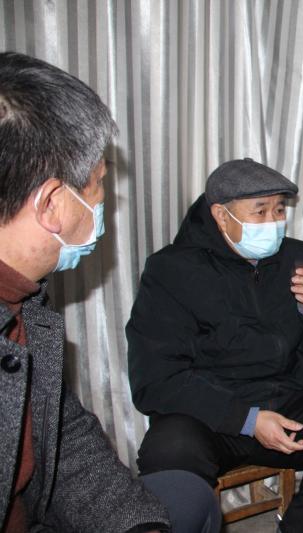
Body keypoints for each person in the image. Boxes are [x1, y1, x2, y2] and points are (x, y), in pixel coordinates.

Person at [0, 51, 219, 532]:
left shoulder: (27, 304)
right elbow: (160, 380)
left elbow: (63, 438)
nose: (105, 200)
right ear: (52, 204)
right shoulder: (172, 269)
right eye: (99, 184)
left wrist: (139, 526)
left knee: (184, 497)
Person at [126, 158, 303, 533]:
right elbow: (155, 379)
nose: (273, 221)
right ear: (221, 215)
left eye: (279, 210)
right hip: (209, 418)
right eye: (260, 211)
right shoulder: (171, 270)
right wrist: (246, 419)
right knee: (168, 449)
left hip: (284, 403)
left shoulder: (295, 256)